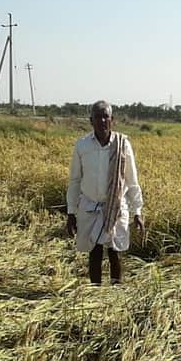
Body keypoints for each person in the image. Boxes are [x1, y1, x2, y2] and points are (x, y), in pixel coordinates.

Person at [66, 101, 144, 285]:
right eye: (98, 117)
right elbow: (75, 180)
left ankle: (116, 291)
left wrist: (137, 211)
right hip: (90, 206)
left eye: (105, 117)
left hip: (116, 207)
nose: (102, 121)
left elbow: (132, 180)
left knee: (115, 251)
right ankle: (96, 290)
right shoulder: (83, 146)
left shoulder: (122, 145)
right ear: (91, 120)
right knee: (94, 251)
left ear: (112, 119)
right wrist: (71, 212)